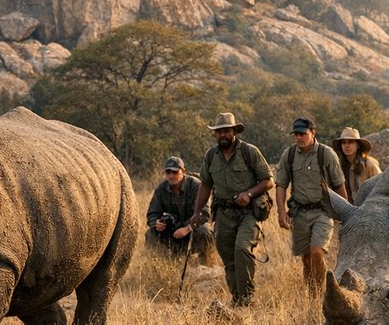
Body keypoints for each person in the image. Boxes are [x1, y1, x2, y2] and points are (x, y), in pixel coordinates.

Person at [188, 112, 274, 307]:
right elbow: (205, 185)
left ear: (234, 132)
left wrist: (249, 194)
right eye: (218, 132)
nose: (222, 135)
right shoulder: (211, 156)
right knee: (228, 256)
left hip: (249, 212)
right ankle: (237, 298)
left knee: (242, 249)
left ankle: (247, 297)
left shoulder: (249, 152)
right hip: (224, 212)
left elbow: (268, 181)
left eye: (226, 131)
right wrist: (197, 212)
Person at [275, 116, 348, 293]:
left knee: (317, 252)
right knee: (306, 258)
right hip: (299, 212)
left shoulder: (326, 154)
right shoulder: (290, 155)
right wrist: (281, 212)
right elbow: (281, 185)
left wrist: (346, 214)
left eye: (302, 134)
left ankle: (323, 291)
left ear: (313, 133)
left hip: (323, 212)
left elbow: (339, 185)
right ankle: (312, 295)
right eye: (296, 134)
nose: (298, 138)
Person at [145, 156, 215, 265]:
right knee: (151, 233)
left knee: (205, 231)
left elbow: (204, 214)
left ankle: (206, 264)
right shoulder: (161, 189)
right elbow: (152, 213)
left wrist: (188, 228)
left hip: (193, 228)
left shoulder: (197, 186)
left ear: (183, 171)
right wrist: (156, 223)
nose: (171, 175)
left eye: (175, 172)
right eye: (168, 172)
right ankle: (159, 265)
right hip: (174, 230)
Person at [332, 127, 382, 205]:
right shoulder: (339, 166)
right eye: (344, 142)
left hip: (369, 207)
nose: (347, 146)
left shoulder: (369, 164)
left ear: (358, 145)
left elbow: (381, 186)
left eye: (350, 142)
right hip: (350, 210)